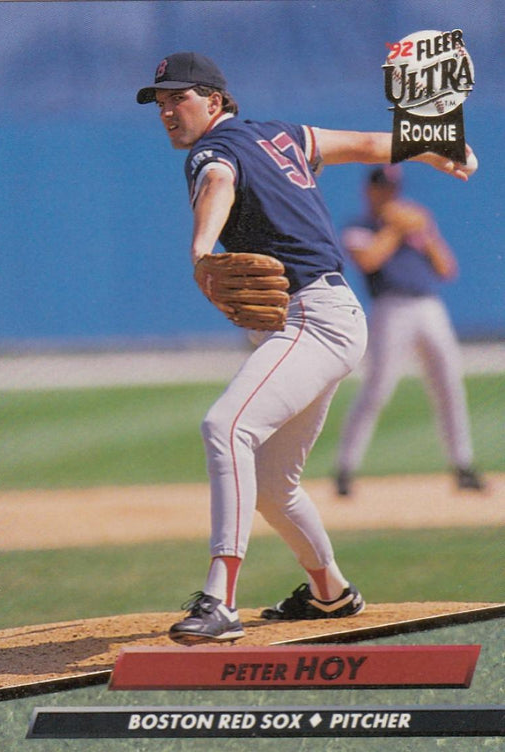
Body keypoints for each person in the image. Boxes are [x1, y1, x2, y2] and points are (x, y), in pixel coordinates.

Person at [136, 51, 477, 644]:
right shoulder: (283, 135)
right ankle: (330, 593)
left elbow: (218, 181)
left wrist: (202, 251)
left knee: (226, 428)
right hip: (324, 319)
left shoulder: (211, 151)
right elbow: (371, 145)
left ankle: (220, 601)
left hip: (311, 320)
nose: (167, 110)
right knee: (273, 487)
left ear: (215, 101)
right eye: (161, 102)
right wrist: (435, 143)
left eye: (179, 98)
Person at [334, 165, 485, 496]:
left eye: (393, 189)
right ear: (369, 191)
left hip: (429, 306)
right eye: (383, 189)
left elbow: (447, 269)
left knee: (448, 384)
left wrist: (427, 232)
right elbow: (369, 260)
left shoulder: (416, 222)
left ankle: (463, 466)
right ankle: (345, 468)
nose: (390, 195)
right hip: (391, 309)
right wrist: (395, 229)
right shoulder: (359, 226)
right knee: (377, 389)